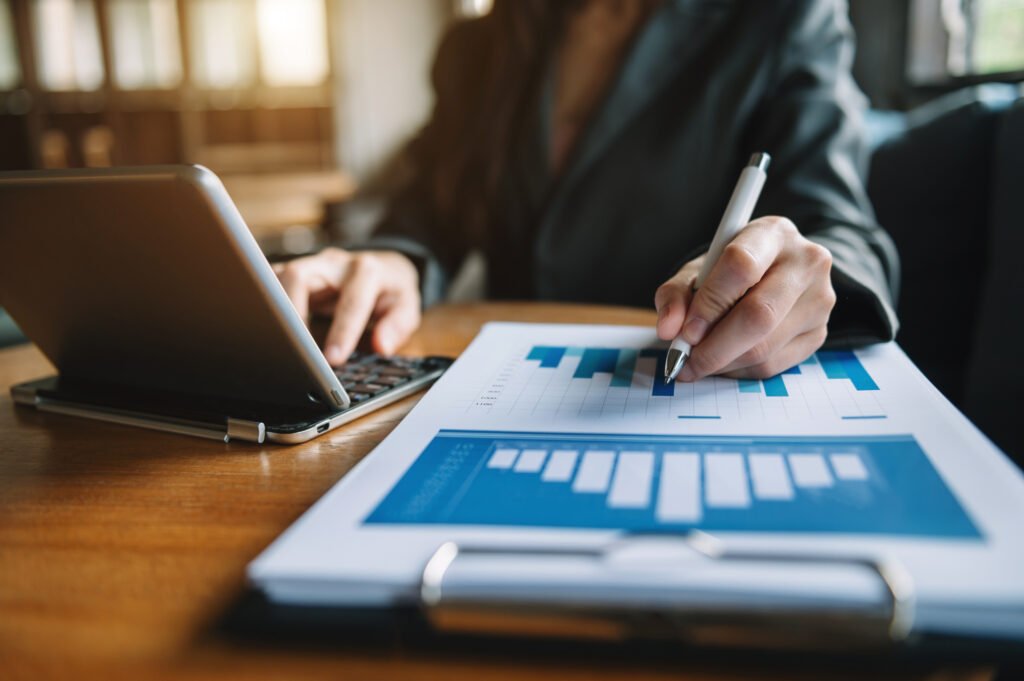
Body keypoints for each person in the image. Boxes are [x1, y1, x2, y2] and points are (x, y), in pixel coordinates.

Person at [275, 0, 898, 382]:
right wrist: (395, 260)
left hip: (678, 392)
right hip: (499, 396)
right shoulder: (480, 46)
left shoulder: (783, 16)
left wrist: (802, 275)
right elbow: (431, 211)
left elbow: (840, 229)